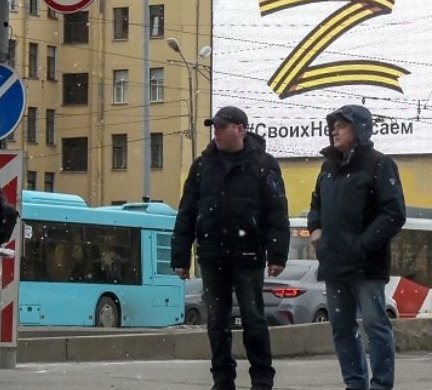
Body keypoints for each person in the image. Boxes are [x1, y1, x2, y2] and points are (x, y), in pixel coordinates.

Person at [171, 106, 289, 390]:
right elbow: (186, 211)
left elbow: (277, 211)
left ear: (240, 129)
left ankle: (262, 379)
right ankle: (223, 380)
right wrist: (181, 256)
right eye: (214, 127)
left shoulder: (263, 164)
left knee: (254, 319)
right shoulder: (202, 166)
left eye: (222, 127)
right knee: (217, 322)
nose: (217, 132)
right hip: (212, 255)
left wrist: (277, 254)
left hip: (248, 254)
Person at [307, 104, 406, 390]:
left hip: (366, 266)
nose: (334, 130)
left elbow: (394, 213)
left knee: (376, 327)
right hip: (334, 264)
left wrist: (362, 244)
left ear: (359, 129)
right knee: (342, 329)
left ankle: (381, 385)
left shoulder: (379, 164)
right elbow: (316, 205)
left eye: (342, 125)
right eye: (333, 125)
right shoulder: (328, 167)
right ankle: (354, 384)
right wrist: (316, 230)